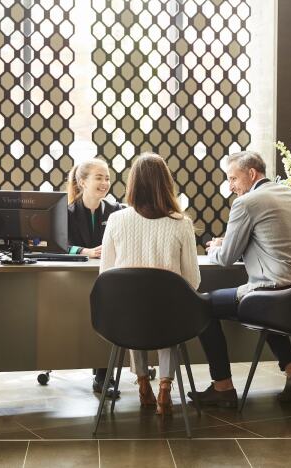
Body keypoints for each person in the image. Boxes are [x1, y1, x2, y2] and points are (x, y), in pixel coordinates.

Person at [189, 151, 291, 408]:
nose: (230, 187)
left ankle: (222, 387)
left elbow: (226, 258)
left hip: (276, 296)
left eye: (233, 178)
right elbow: (274, 240)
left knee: (203, 305)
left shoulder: (246, 202)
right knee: (266, 303)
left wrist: (215, 247)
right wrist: (231, 242)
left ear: (251, 174)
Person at [100, 153, 201, 415]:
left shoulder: (116, 220)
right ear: (166, 184)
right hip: (169, 317)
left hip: (127, 320)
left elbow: (106, 273)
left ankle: (143, 382)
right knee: (170, 311)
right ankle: (165, 387)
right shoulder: (182, 224)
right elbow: (193, 279)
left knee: (133, 306)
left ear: (133, 184)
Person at [66, 158, 123, 398]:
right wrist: (83, 251)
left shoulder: (117, 211)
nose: (105, 183)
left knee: (108, 315)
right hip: (73, 281)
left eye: (107, 178)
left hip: (108, 278)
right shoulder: (66, 212)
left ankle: (104, 376)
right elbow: (57, 245)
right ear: (82, 182)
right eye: (99, 177)